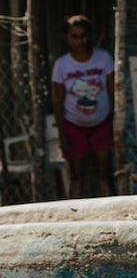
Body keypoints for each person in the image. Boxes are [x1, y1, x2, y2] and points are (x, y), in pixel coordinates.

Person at [50, 14, 115, 198]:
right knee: (77, 175)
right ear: (67, 38)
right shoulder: (62, 65)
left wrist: (114, 122)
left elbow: (113, 91)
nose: (80, 40)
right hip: (73, 125)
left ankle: (108, 213)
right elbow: (57, 100)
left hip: (101, 123)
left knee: (102, 173)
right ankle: (74, 218)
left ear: (90, 36)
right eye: (74, 36)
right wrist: (62, 134)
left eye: (83, 35)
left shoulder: (103, 59)